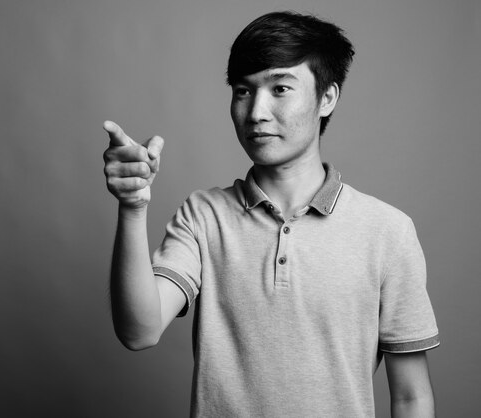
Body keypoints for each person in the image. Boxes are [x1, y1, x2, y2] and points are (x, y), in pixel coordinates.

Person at [102, 11, 439, 418]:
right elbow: (139, 331)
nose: (257, 111)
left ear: (327, 97)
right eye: (243, 91)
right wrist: (133, 208)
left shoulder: (388, 231)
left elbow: (411, 397)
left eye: (280, 88)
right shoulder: (203, 215)